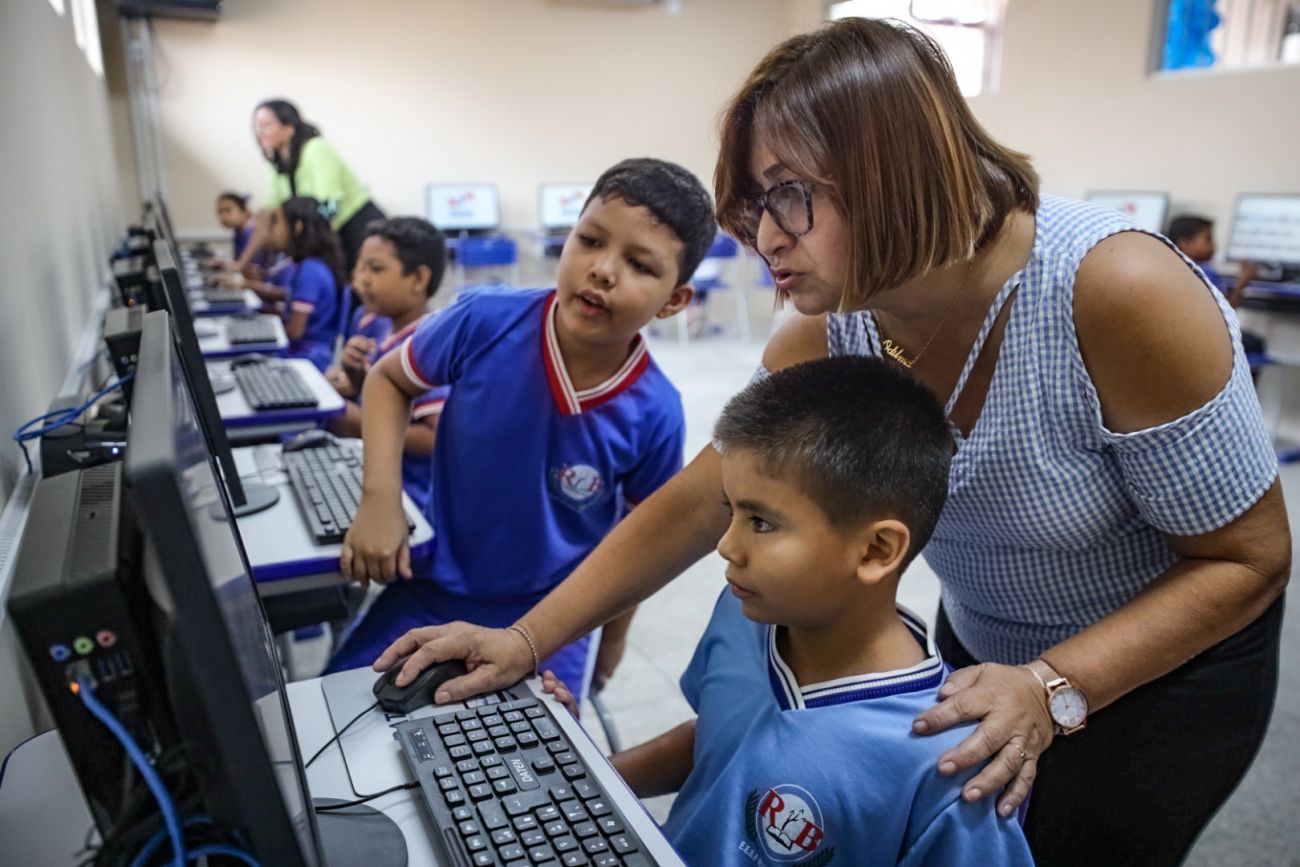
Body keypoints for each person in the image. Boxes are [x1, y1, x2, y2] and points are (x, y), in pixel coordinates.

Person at [371, 20, 1290, 867]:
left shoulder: (1117, 292)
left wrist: (1053, 685)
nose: (765, 238)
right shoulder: (833, 323)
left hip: (1157, 676)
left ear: (895, 168)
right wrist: (527, 638)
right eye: (754, 208)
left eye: (789, 197)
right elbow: (703, 497)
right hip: (986, 649)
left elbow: (1249, 557)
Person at [545, 355, 1033, 866]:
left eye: (761, 522)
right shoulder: (745, 615)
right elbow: (717, 745)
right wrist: (582, 777)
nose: (727, 547)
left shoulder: (952, 763)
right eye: (731, 511)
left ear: (876, 550)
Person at [330, 158, 718, 703]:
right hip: (429, 587)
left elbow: (641, 540)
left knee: (529, 750)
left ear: (674, 301)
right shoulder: (484, 319)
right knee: (332, 711)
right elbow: (388, 380)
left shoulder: (656, 412)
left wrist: (611, 642)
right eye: (590, 240)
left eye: (639, 264)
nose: (602, 270)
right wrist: (380, 500)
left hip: (550, 620)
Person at [327, 217, 449, 512]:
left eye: (376, 268)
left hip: (408, 493)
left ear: (419, 279)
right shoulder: (374, 322)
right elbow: (388, 397)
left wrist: (360, 421)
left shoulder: (428, 344)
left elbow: (434, 437)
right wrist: (356, 379)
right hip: (369, 466)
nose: (363, 279)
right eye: (360, 267)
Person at [234, 99, 385, 272]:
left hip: (356, 229)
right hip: (327, 237)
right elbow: (268, 215)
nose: (259, 132)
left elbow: (330, 207)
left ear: (289, 127)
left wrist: (299, 253)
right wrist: (241, 264)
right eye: (257, 126)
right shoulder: (278, 163)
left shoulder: (317, 149)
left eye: (266, 125)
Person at [253, 196, 344, 371]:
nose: (271, 230)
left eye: (276, 223)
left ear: (297, 227)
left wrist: (260, 330)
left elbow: (295, 332)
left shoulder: (310, 271)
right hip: (308, 350)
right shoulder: (309, 265)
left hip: (309, 356)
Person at [1167, 214, 1266, 355]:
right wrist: (1242, 283)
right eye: (1208, 239)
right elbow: (1225, 313)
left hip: (1176, 337)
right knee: (1255, 343)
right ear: (1185, 243)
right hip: (1203, 340)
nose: (1214, 245)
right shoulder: (1205, 273)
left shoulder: (1170, 265)